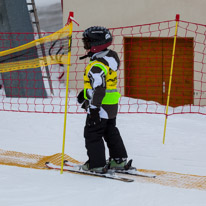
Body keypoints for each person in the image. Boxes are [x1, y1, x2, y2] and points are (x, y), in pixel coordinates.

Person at [77, 26, 129, 173]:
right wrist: (86, 93)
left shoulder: (96, 65)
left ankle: (96, 164)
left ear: (96, 44)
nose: (85, 45)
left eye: (87, 42)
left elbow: (99, 89)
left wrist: (93, 110)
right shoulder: (110, 58)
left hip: (100, 106)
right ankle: (118, 160)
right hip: (111, 104)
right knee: (110, 131)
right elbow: (104, 83)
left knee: (92, 134)